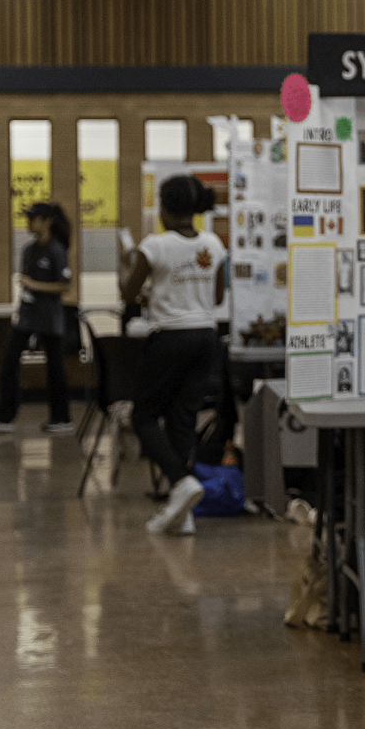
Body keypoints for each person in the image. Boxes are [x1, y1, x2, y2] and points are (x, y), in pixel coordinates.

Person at [121, 175, 227, 535]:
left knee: (143, 416)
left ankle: (181, 482)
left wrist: (127, 261)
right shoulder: (213, 244)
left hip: (169, 338)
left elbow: (128, 292)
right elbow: (215, 298)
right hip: (206, 337)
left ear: (164, 208)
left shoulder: (155, 245)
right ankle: (183, 514)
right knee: (183, 417)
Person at [0, 202, 74, 435]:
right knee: (9, 362)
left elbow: (64, 286)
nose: (28, 223)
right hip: (28, 317)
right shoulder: (29, 250)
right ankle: (4, 416)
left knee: (55, 369)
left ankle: (61, 418)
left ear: (47, 221)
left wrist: (34, 285)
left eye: (33, 218)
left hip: (49, 319)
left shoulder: (56, 250)